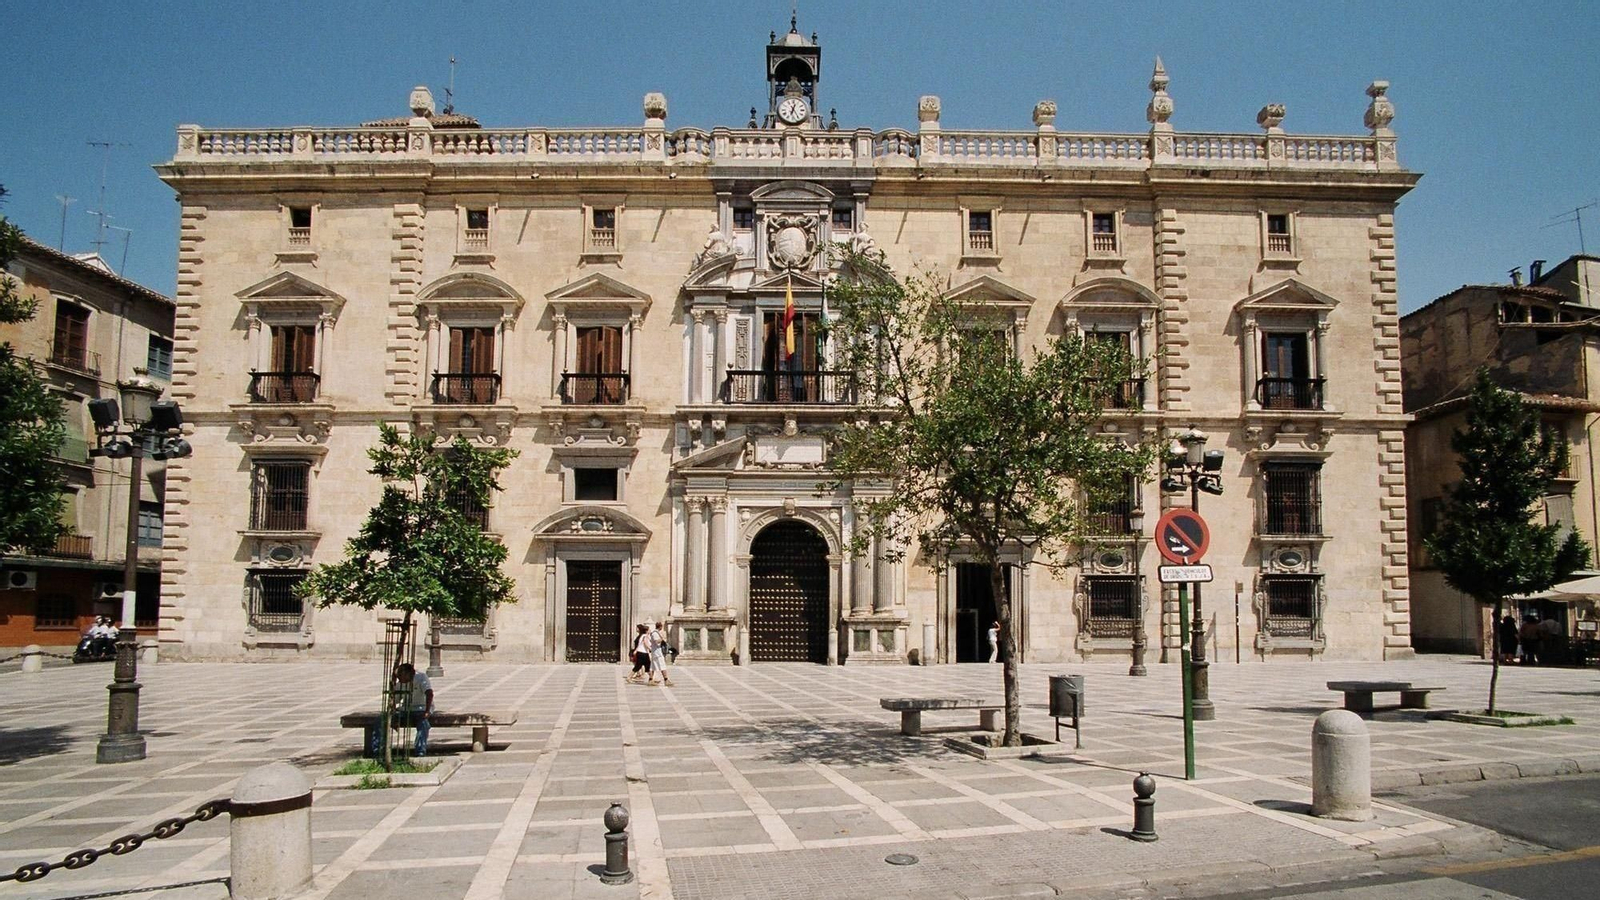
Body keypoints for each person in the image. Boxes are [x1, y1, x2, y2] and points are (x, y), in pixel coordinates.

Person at [393, 663, 433, 757]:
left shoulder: (421, 678)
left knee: (423, 723)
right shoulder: (400, 684)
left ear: (408, 674)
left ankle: (420, 750)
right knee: (381, 720)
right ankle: (377, 749)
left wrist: (427, 711)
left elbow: (429, 693)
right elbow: (395, 700)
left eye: (400, 676)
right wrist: (393, 714)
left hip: (421, 707)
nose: (399, 679)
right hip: (406, 709)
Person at [646, 618, 673, 686]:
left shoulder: (655, 633)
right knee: (662, 666)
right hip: (657, 653)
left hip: (655, 652)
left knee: (653, 666)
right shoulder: (655, 633)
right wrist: (662, 638)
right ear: (660, 626)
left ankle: (650, 680)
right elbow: (656, 641)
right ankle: (666, 680)